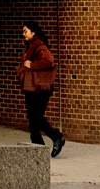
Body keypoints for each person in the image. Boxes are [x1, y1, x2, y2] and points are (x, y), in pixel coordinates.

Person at [18, 23, 65, 157]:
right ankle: (38, 149)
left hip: (39, 88)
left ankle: (56, 137)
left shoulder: (40, 46)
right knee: (33, 118)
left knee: (36, 117)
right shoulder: (29, 46)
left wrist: (32, 65)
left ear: (33, 32)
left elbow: (48, 62)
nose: (23, 34)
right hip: (32, 87)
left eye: (25, 31)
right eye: (23, 31)